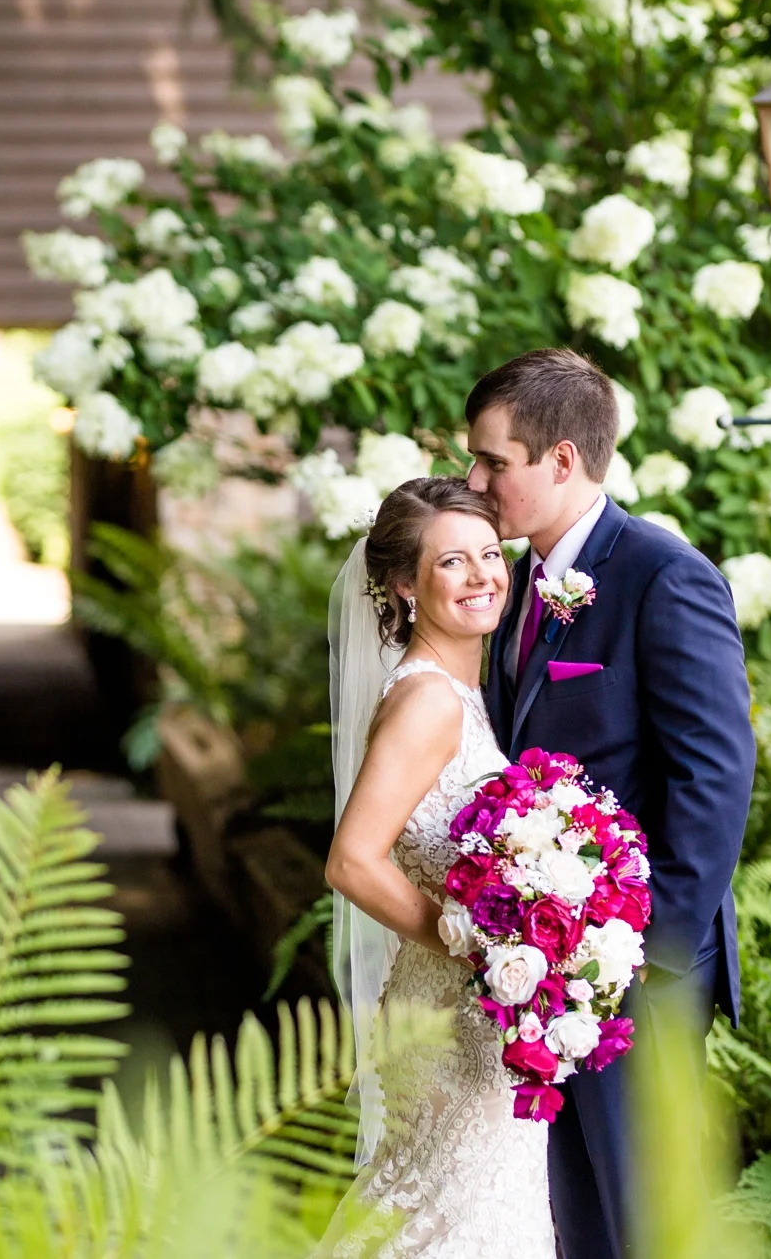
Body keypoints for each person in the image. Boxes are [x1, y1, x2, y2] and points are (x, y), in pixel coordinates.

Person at [465, 348, 756, 1259]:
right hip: (545, 969)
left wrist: (639, 955)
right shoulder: (518, 585)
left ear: (560, 460)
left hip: (640, 971)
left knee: (646, 1225)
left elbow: (715, 776)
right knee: (574, 1217)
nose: (474, 481)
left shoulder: (664, 576)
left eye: (492, 462)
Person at [320, 475, 558, 1258]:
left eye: (491, 553)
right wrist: (472, 946)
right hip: (453, 1016)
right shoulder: (429, 702)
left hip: (467, 1011)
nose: (485, 574)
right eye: (453, 562)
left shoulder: (463, 690)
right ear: (403, 584)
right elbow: (353, 860)